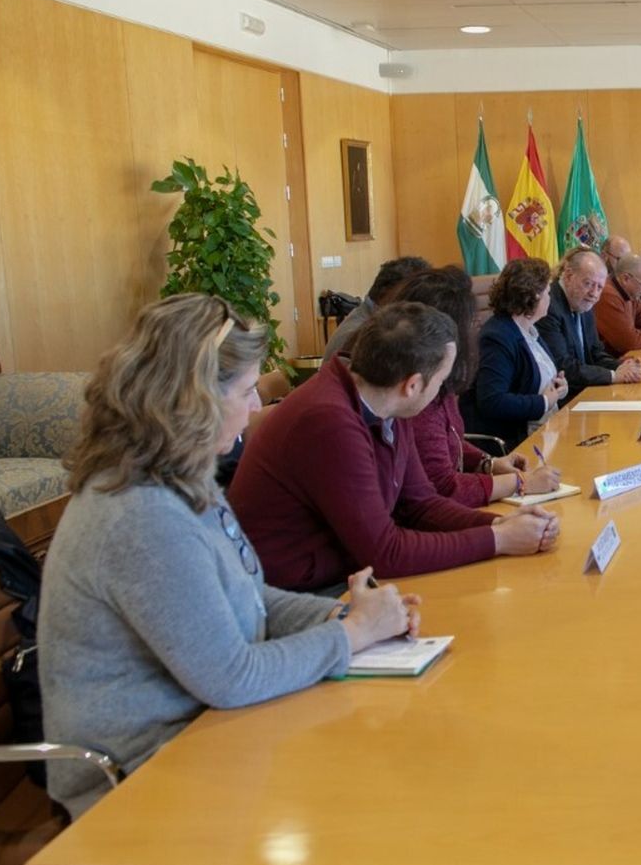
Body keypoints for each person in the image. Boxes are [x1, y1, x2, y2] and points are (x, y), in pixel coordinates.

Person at [38, 294, 420, 819]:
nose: (258, 406)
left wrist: (339, 613)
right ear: (196, 401)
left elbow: (246, 593)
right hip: (139, 782)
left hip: (208, 732)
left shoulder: (179, 472)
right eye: (246, 391)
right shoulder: (138, 514)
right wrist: (354, 634)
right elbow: (233, 677)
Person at [229, 302, 559, 592]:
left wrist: (498, 525)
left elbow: (420, 504)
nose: (444, 392)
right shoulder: (329, 420)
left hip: (346, 571)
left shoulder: (389, 401)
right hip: (302, 592)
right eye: (441, 382)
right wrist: (499, 540)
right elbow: (385, 553)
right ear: (412, 385)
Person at [386, 266, 561, 506]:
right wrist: (520, 483)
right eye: (471, 321)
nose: (477, 326)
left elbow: (451, 439)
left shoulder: (440, 383)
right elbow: (443, 489)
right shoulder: (418, 398)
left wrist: (488, 463)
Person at [465, 258, 570, 450]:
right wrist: (544, 402)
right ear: (534, 296)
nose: (551, 298)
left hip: (546, 430)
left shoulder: (529, 330)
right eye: (547, 292)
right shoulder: (498, 337)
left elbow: (536, 377)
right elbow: (492, 401)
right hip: (516, 442)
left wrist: (558, 386)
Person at [537, 248, 641, 399]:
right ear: (568, 275)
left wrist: (623, 367)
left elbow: (595, 353)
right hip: (560, 400)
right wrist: (613, 375)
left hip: (585, 394)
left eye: (599, 287)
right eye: (588, 284)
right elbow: (563, 366)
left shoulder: (583, 302)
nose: (594, 293)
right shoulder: (549, 306)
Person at [322, 255, 429, 360]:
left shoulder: (374, 323)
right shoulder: (365, 335)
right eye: (410, 293)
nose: (416, 303)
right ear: (386, 290)